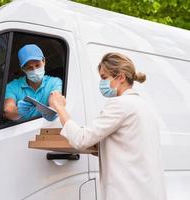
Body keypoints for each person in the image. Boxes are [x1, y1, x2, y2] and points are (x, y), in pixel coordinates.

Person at [49, 52, 167, 200]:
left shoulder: (120, 104)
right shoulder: (144, 106)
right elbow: (131, 146)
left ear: (121, 77)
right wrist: (102, 149)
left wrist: (60, 107)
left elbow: (80, 139)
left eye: (104, 77)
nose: (102, 83)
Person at [4, 44, 62, 121]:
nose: (35, 70)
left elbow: (55, 101)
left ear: (44, 61)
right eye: (29, 68)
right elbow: (8, 111)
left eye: (37, 65)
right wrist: (19, 110)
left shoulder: (55, 82)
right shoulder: (12, 86)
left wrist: (54, 110)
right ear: (22, 68)